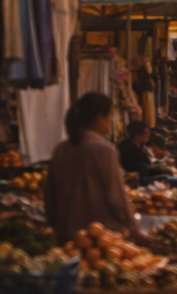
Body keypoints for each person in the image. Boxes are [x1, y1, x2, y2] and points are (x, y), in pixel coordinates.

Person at [44, 92, 143, 243]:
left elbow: (49, 195)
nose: (111, 121)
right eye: (110, 116)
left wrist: (55, 225)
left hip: (65, 236)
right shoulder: (103, 150)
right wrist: (134, 230)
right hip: (99, 239)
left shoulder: (61, 149)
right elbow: (117, 199)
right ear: (99, 117)